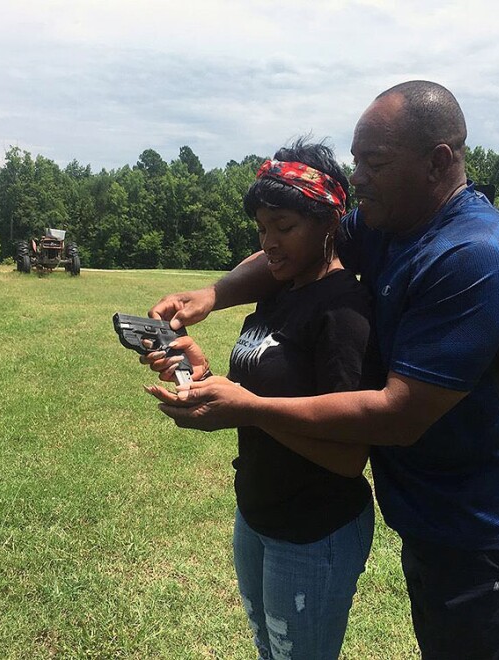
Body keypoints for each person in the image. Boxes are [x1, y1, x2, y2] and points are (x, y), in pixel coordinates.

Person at [146, 81, 499, 660]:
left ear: (437, 162)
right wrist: (211, 296)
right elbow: (296, 246)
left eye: (374, 162)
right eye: (355, 160)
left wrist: (247, 406)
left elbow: (399, 415)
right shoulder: (390, 223)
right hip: (427, 496)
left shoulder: (476, 254)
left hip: (489, 508)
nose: (358, 178)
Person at [145, 139, 383, 659]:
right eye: (261, 229)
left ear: (327, 224)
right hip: (257, 513)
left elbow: (349, 457)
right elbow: (257, 387)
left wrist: (245, 406)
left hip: (314, 529)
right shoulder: (279, 290)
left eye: (284, 228)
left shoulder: (343, 310)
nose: (268, 243)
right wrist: (200, 373)